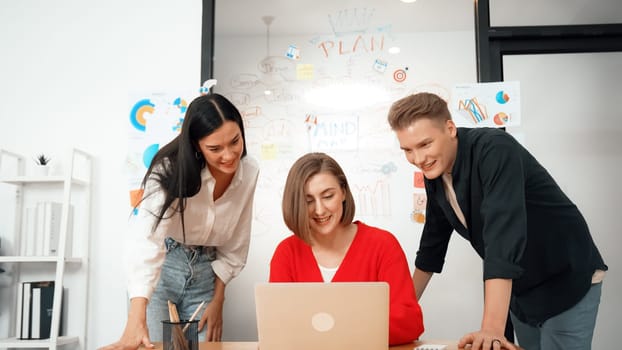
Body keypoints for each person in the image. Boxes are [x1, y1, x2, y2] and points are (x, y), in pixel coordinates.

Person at [387, 92, 608, 350]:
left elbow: (502, 237)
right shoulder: (434, 171)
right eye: (408, 150)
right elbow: (432, 246)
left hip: (565, 275)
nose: (418, 159)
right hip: (522, 286)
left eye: (425, 144)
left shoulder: (494, 149)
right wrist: (399, 312)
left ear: (450, 128)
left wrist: (491, 329)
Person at [101, 93, 260, 350]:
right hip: (164, 267)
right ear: (197, 145)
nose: (229, 155)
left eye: (235, 141)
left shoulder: (250, 171)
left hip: (207, 273)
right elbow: (146, 242)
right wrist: (136, 315)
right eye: (215, 148)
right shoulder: (167, 171)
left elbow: (237, 240)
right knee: (153, 345)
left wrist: (219, 298)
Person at [269, 152, 425, 345]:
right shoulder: (287, 253)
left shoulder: (382, 245)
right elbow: (277, 327)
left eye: (328, 196)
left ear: (343, 192)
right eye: (308, 201)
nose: (319, 210)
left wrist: (337, 332)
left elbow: (410, 322)